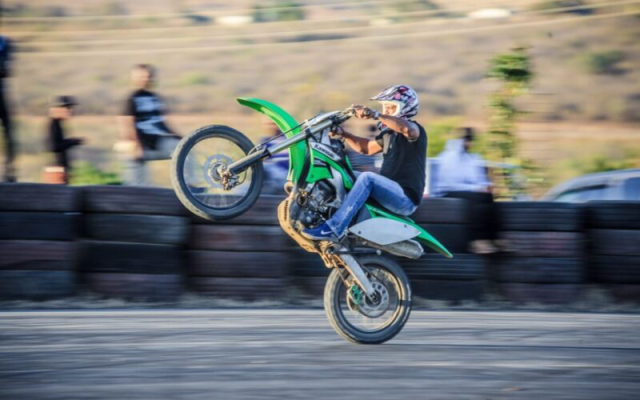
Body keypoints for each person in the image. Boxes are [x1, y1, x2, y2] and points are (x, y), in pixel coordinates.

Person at [302, 85, 427, 241]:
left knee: (367, 178)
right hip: (389, 193)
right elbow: (366, 148)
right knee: (342, 174)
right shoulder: (389, 134)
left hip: (405, 199)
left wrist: (374, 114)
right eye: (385, 107)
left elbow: (407, 129)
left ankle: (334, 228)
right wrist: (344, 134)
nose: (386, 111)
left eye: (391, 107)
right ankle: (320, 213)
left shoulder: (415, 130)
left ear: (406, 108)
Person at [435, 128, 503, 254]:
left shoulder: (471, 158)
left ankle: (493, 239)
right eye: (467, 140)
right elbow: (451, 184)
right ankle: (475, 241)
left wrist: (486, 187)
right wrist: (477, 189)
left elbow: (478, 179)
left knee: (488, 197)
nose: (469, 143)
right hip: (448, 191)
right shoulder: (449, 157)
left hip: (466, 190)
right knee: (475, 199)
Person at [117, 64, 181, 185]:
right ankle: (138, 190)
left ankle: (189, 187)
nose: (147, 79)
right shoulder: (131, 98)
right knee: (137, 182)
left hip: (158, 142)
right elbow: (126, 123)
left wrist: (180, 138)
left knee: (183, 149)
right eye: (143, 76)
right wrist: (136, 144)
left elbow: (161, 122)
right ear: (134, 78)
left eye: (149, 76)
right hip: (139, 144)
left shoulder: (155, 98)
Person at [47, 96, 83, 183]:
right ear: (57, 109)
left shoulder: (57, 124)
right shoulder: (54, 125)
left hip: (60, 169)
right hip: (56, 170)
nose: (70, 111)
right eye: (67, 108)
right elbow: (54, 146)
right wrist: (72, 142)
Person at [0, 35, 15, 182]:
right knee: (8, 131)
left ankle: (9, 171)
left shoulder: (4, 42)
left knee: (9, 131)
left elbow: (6, 71)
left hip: (1, 94)